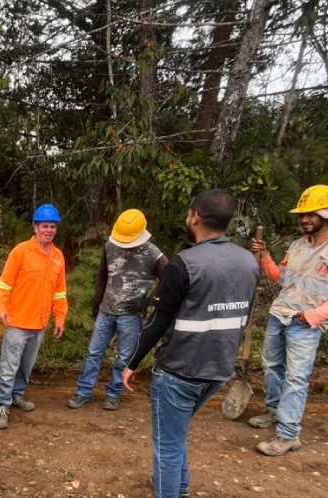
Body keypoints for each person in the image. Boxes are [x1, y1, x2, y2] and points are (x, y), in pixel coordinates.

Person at [121, 189, 259, 498]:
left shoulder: (184, 264)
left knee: (167, 447)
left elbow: (156, 323)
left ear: (195, 216)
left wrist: (131, 364)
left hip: (179, 371)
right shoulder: (249, 261)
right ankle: (180, 489)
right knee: (176, 432)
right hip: (219, 370)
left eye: (188, 213)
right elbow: (243, 315)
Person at [247, 184, 328, 457]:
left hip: (306, 324)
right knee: (272, 367)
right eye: (302, 215)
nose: (305, 220)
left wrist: (314, 316)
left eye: (311, 214)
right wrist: (265, 258)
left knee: (296, 378)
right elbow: (282, 279)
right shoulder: (298, 245)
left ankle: (288, 435)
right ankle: (275, 412)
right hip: (280, 315)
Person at [67, 209, 167, 411]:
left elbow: (170, 282)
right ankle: (84, 392)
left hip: (131, 315)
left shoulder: (154, 255)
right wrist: (97, 302)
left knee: (124, 357)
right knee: (94, 352)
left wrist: (147, 302)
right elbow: (103, 276)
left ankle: (114, 393)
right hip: (106, 310)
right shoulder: (110, 246)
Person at [0, 203, 68, 429]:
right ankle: (2, 404)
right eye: (45, 226)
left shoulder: (58, 257)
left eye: (53, 226)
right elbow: (4, 285)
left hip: (40, 323)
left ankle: (17, 396)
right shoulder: (21, 252)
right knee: (9, 366)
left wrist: (60, 317)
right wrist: (0, 308)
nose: (49, 230)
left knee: (26, 365)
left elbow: (60, 290)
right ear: (35, 227)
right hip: (17, 321)